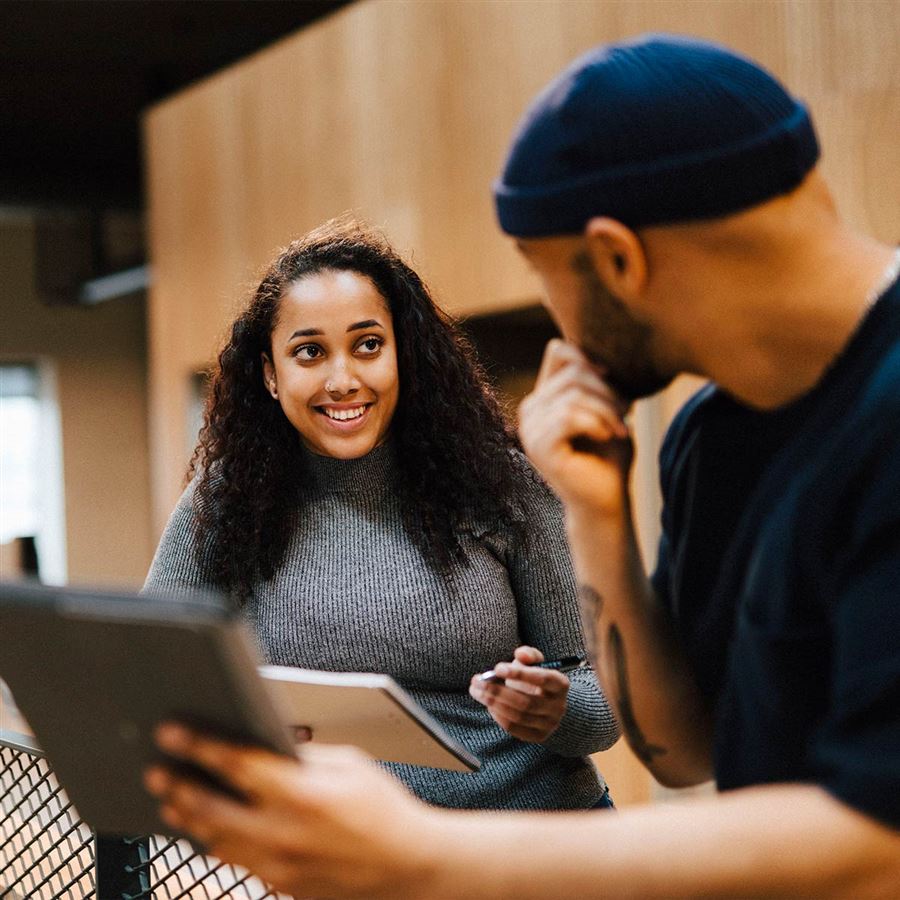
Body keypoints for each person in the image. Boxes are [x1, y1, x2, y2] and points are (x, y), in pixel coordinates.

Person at [144, 34, 900, 897]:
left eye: (548, 282)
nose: (559, 326)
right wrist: (598, 518)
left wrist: (420, 856)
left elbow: (881, 842)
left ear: (619, 259)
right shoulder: (708, 435)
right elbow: (687, 753)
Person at [143, 217, 619, 812]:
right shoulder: (224, 502)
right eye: (309, 352)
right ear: (270, 374)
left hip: (530, 836)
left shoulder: (499, 485)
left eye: (368, 345)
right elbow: (156, 678)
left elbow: (602, 704)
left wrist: (556, 706)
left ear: (403, 356)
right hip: (346, 849)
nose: (343, 380)